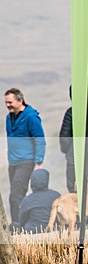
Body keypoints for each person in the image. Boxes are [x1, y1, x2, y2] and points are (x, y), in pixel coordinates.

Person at [4, 88, 46, 231]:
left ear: (19, 100)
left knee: (15, 195)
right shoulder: (9, 117)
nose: (8, 105)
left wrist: (38, 161)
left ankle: (17, 226)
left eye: (10, 102)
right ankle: (22, 223)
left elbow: (39, 138)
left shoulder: (30, 117)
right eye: (6, 103)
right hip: (13, 162)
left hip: (26, 161)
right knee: (18, 194)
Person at [59, 76, 88, 193]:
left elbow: (64, 138)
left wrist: (67, 150)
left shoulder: (71, 112)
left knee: (74, 191)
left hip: (75, 159)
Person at [19, 168, 60, 233]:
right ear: (46, 180)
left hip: (33, 231)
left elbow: (21, 220)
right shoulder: (56, 196)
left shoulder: (27, 200)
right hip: (54, 229)